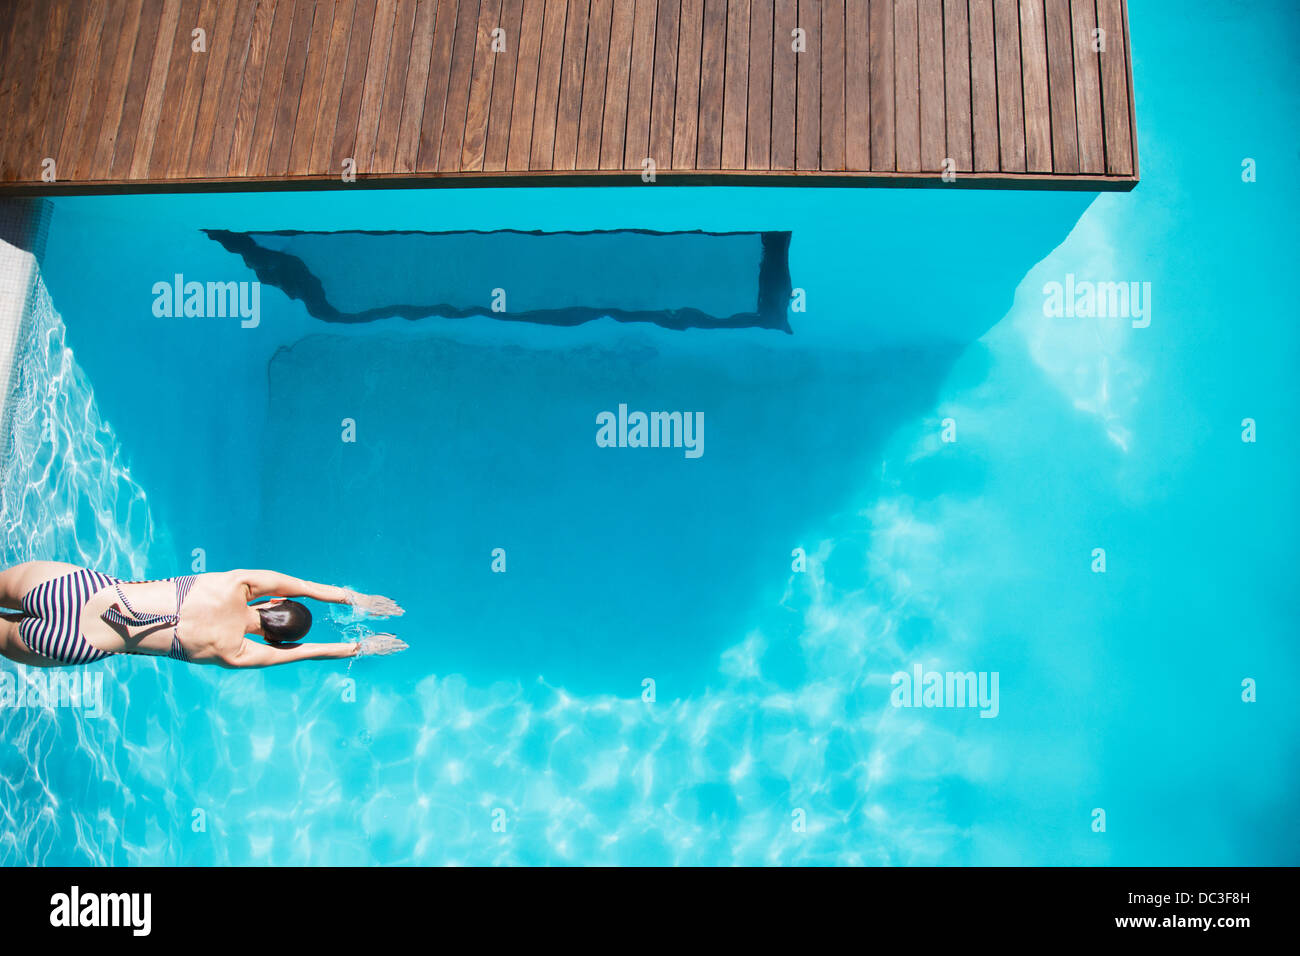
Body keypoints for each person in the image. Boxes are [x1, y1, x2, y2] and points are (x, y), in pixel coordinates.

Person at [0, 561, 406, 668]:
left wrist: (353, 597)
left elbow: (298, 585)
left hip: (78, 592)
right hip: (75, 645)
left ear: (268, 603)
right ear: (272, 638)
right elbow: (301, 654)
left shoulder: (237, 586)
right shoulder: (236, 652)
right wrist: (359, 647)